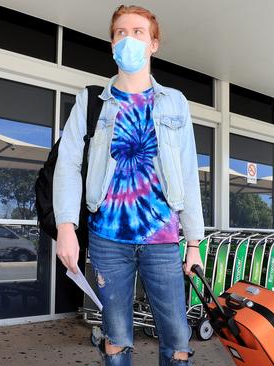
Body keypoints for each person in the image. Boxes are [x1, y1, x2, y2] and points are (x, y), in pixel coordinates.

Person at [53, 5, 204, 365]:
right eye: (121, 32)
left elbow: (187, 173)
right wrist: (66, 226)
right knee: (116, 338)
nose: (128, 39)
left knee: (178, 340)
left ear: (154, 44)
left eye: (138, 32)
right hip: (108, 239)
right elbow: (68, 164)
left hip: (163, 239)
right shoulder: (90, 101)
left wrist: (195, 242)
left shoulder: (174, 103)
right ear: (111, 44)